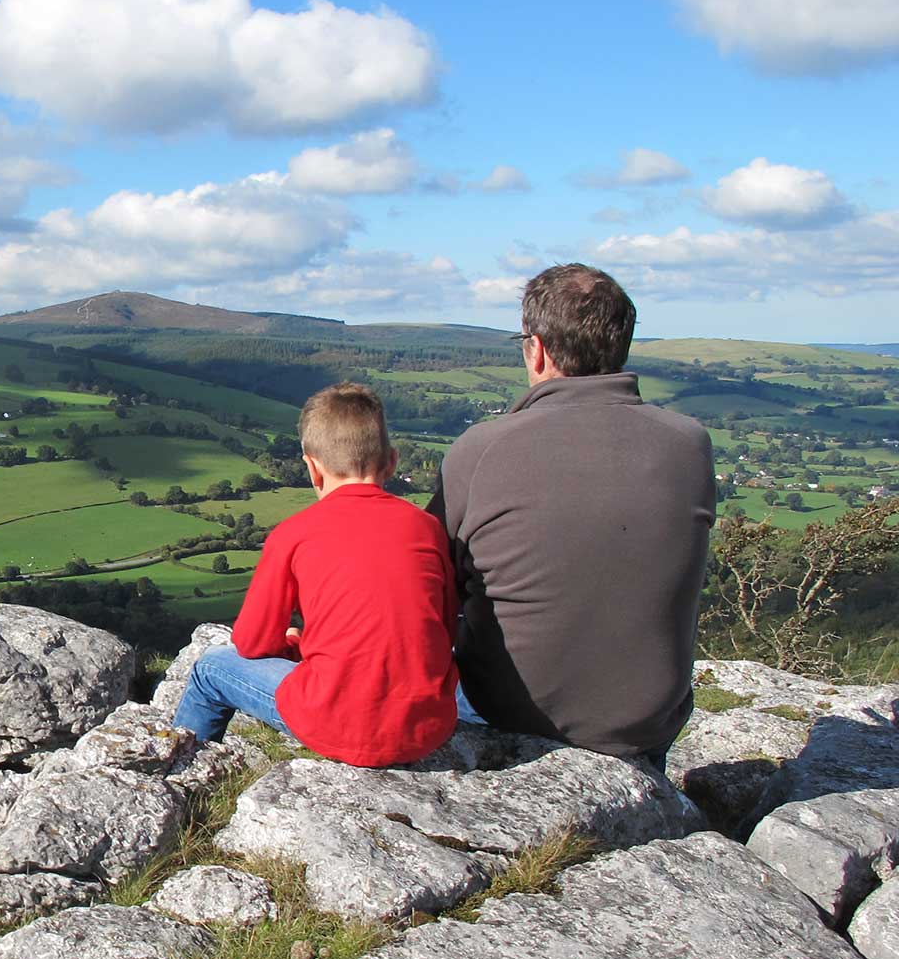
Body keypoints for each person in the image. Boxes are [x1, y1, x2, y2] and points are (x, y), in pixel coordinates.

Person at [430, 263, 715, 759]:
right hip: (648, 723)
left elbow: (429, 579)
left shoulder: (481, 448)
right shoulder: (690, 443)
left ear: (536, 348)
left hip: (506, 710)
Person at [173, 383, 457, 766]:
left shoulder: (293, 534)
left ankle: (179, 778)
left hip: (335, 724)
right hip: (427, 727)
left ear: (312, 468)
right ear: (391, 461)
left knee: (210, 668)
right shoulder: (426, 528)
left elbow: (252, 642)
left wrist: (295, 645)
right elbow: (442, 630)